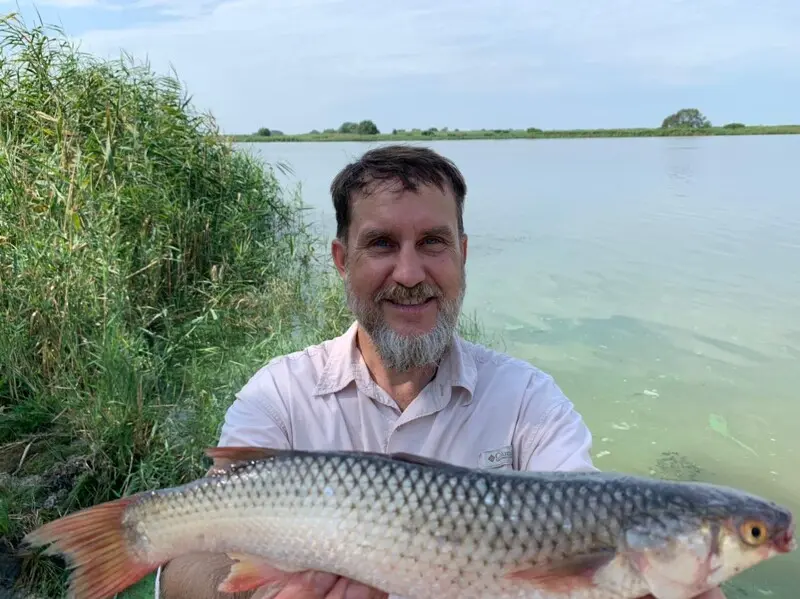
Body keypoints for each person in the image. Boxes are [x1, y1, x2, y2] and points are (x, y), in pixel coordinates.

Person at [156, 145, 725, 599]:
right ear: (340, 260)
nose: (409, 273)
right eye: (381, 243)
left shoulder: (527, 400)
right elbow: (188, 556)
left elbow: (588, 516)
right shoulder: (281, 394)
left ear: (463, 254)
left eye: (433, 242)